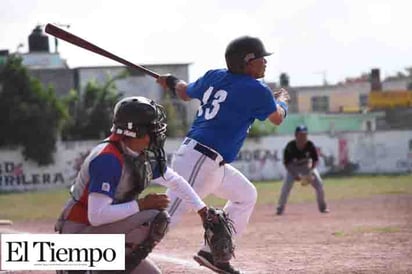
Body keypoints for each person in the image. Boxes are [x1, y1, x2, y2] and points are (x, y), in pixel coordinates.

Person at [156, 36, 290, 274]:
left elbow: (184, 92)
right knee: (165, 219)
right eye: (261, 58)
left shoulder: (214, 76)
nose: (265, 63)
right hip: (200, 160)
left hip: (209, 162)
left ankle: (211, 253)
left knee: (246, 195)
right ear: (247, 61)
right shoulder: (256, 89)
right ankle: (106, 254)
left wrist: (172, 81)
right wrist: (283, 101)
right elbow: (278, 118)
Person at [55, 96, 209, 274]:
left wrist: (202, 210)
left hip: (99, 231)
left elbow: (175, 181)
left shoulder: (136, 153)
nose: (157, 133)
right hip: (78, 234)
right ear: (135, 131)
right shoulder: (108, 159)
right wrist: (141, 204)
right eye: (152, 128)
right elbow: (96, 216)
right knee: (154, 216)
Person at [276, 125, 329, 215]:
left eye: (304, 135)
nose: (303, 137)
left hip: (306, 166)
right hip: (293, 167)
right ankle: (280, 208)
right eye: (300, 135)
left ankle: (323, 207)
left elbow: (315, 160)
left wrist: (311, 172)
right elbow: (287, 163)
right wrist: (294, 175)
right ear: (296, 135)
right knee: (286, 187)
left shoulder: (310, 145)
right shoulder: (290, 146)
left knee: (319, 184)